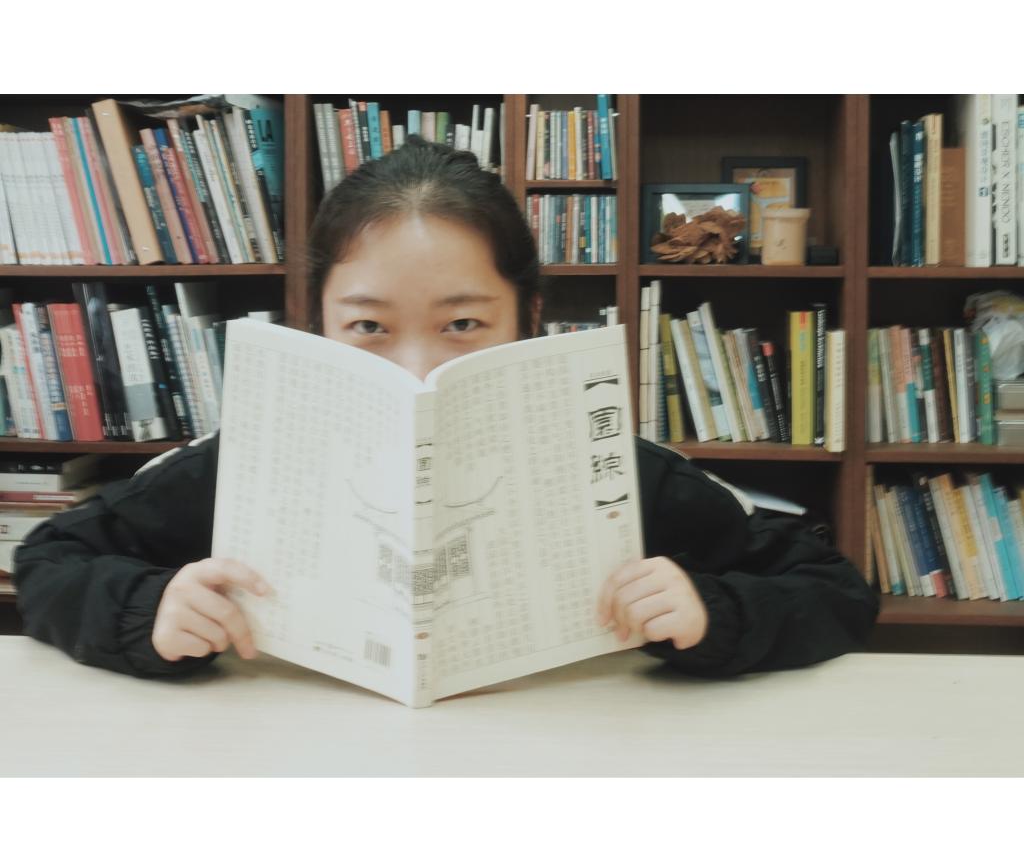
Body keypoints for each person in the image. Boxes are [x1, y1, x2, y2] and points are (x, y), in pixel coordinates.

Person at [14, 136, 878, 680]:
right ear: (318, 323)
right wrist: (148, 610)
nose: (418, 368)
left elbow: (832, 589)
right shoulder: (246, 460)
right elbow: (50, 558)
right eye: (368, 326)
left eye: (462, 323)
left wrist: (710, 612)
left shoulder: (613, 468)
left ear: (528, 317)